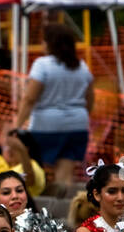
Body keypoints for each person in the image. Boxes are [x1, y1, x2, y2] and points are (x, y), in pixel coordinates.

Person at [14, 23, 94, 188]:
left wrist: (17, 125)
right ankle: (64, 210)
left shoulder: (42, 65)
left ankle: (44, 209)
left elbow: (30, 98)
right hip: (77, 126)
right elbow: (90, 100)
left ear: (50, 43)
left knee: (38, 172)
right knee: (65, 176)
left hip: (46, 126)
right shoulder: (82, 66)